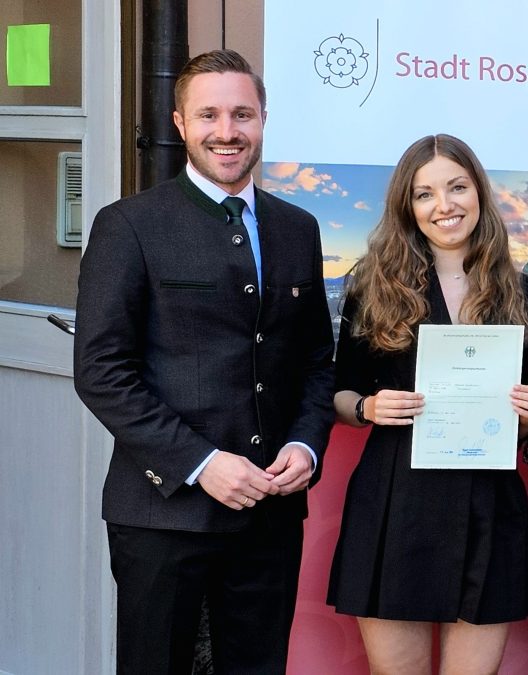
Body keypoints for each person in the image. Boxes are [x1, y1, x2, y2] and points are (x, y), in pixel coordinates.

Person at [73, 49, 335, 673]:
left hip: (271, 514)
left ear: (263, 120)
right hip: (163, 515)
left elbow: (317, 362)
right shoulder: (127, 225)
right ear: (180, 123)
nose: (227, 131)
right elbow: (102, 371)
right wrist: (201, 463)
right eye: (209, 114)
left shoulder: (297, 227)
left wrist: (306, 446)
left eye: (242, 114)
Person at [328, 134, 528, 674]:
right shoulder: (374, 287)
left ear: (480, 194)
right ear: (407, 205)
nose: (444, 205)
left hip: (488, 504)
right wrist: (367, 409)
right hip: (394, 498)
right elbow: (339, 390)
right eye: (425, 194)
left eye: (457, 187)